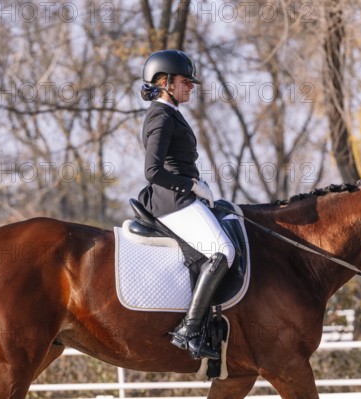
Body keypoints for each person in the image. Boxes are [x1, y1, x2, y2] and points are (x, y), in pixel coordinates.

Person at [138, 49, 235, 360]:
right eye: (185, 81)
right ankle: (190, 329)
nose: (191, 86)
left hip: (182, 196)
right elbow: (152, 171)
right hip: (172, 201)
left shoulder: (171, 114)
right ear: (165, 82)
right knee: (223, 252)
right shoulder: (161, 115)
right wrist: (192, 185)